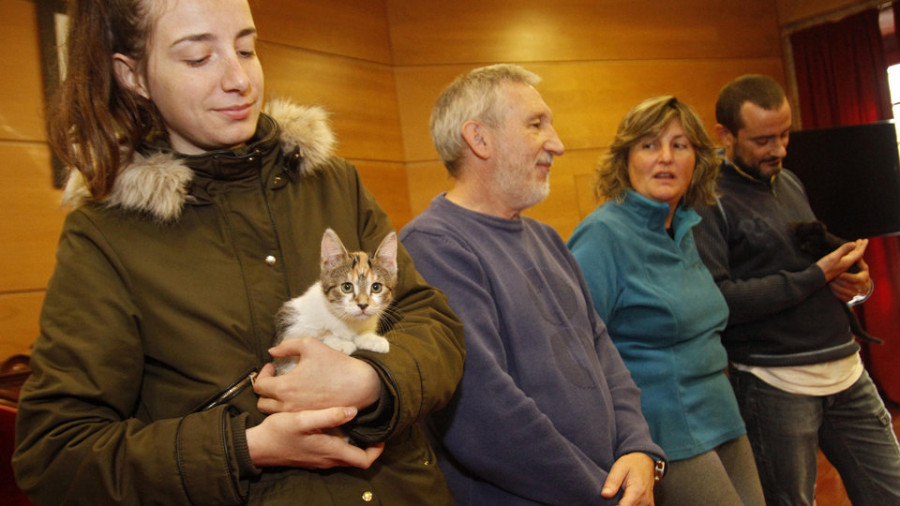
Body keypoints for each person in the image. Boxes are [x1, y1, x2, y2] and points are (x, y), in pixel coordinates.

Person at [12, 0, 465, 504]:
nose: (239, 79)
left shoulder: (332, 183)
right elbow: (56, 454)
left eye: (246, 48)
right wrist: (246, 448)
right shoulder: (105, 236)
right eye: (197, 58)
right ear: (133, 75)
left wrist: (372, 379)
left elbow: (434, 326)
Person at [400, 63, 665, 506]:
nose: (557, 144)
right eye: (535, 125)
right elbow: (482, 414)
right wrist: (602, 494)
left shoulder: (546, 237)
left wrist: (639, 450)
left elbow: (603, 351)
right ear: (478, 139)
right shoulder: (434, 247)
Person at [692, 74, 900, 506]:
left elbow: (814, 267)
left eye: (785, 135)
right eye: (764, 140)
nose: (780, 151)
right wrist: (816, 276)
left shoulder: (789, 181)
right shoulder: (705, 200)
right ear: (724, 135)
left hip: (847, 371)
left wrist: (857, 285)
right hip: (774, 384)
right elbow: (719, 301)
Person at [567, 96, 765, 505]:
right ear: (625, 159)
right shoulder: (602, 236)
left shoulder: (685, 226)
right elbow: (576, 350)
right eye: (648, 145)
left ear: (698, 160)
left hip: (722, 414)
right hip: (664, 428)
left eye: (679, 145)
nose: (665, 158)